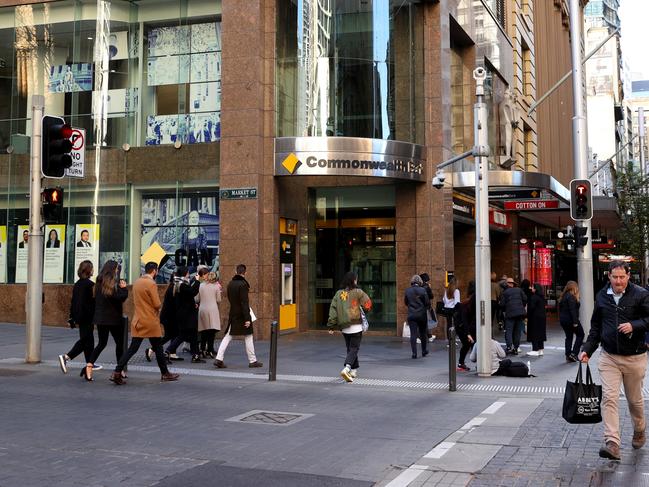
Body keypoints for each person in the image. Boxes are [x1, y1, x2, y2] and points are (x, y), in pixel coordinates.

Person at [579, 260, 649, 461]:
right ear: (608, 276)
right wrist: (587, 349)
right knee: (609, 398)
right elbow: (596, 327)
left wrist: (634, 325)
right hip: (609, 356)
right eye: (614, 277)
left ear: (628, 276)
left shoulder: (641, 294)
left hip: (634, 356)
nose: (618, 281)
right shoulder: (602, 296)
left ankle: (639, 429)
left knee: (634, 401)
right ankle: (613, 443)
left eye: (622, 277)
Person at [109, 262, 179, 384]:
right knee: (158, 347)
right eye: (156, 270)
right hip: (150, 320)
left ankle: (117, 371)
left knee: (133, 349)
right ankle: (165, 374)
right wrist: (158, 308)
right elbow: (157, 304)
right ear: (154, 271)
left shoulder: (137, 282)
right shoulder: (151, 283)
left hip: (138, 320)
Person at [84, 260, 128, 381]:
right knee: (119, 344)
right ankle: (119, 370)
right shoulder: (111, 283)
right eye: (117, 269)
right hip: (113, 319)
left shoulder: (98, 282)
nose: (118, 271)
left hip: (100, 319)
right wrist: (124, 289)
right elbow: (119, 298)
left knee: (101, 344)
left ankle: (89, 366)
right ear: (113, 269)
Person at [214, 264, 263, 369]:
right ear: (245, 273)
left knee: (228, 335)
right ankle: (252, 360)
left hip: (233, 313)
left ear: (236, 272)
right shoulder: (243, 285)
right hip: (242, 314)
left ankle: (219, 358)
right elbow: (244, 303)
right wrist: (247, 319)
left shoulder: (231, 284)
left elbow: (233, 300)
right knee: (248, 336)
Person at [326, 271, 372, 382]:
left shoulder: (338, 294)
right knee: (354, 348)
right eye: (356, 279)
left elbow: (333, 309)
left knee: (350, 348)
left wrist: (331, 325)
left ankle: (353, 370)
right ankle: (347, 368)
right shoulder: (358, 292)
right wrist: (365, 309)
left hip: (344, 326)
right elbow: (368, 304)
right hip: (356, 325)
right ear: (354, 280)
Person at [58, 260, 95, 376]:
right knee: (86, 341)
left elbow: (74, 302)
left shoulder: (78, 284)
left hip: (80, 317)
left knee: (89, 343)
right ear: (89, 270)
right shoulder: (90, 285)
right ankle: (66, 357)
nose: (93, 270)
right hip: (87, 317)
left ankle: (89, 368)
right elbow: (91, 303)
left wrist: (72, 317)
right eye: (92, 268)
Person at [167, 266, 203, 363]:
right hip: (187, 315)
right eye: (187, 272)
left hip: (184, 313)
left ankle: (195, 355)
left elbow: (186, 298)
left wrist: (193, 303)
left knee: (192, 335)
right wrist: (197, 281)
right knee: (183, 335)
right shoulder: (182, 284)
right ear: (185, 273)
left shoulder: (179, 283)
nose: (188, 274)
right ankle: (168, 351)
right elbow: (192, 292)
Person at [404, 275, 430, 359]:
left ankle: (414, 353)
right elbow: (427, 303)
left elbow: (406, 302)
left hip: (412, 314)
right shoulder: (423, 290)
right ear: (420, 282)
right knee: (423, 333)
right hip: (422, 315)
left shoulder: (407, 290)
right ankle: (424, 350)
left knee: (413, 334)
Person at [499, 277, 527, 355]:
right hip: (520, 313)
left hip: (510, 314)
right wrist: (521, 306)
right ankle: (516, 348)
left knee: (509, 331)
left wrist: (506, 309)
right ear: (513, 284)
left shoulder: (505, 292)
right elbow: (525, 299)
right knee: (517, 331)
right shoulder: (519, 290)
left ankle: (509, 347)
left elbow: (502, 305)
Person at [198, 271, 222, 358]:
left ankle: (202, 349)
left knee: (204, 331)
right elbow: (218, 299)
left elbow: (197, 298)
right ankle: (210, 350)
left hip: (202, 309)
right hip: (212, 310)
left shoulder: (201, 285)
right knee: (211, 331)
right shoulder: (216, 287)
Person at [559, 280, 583, 362]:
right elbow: (572, 310)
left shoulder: (564, 296)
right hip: (571, 320)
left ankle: (568, 355)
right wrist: (575, 322)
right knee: (581, 334)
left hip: (563, 320)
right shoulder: (571, 297)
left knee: (569, 337)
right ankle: (574, 354)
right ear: (574, 287)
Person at [457, 281, 477, 371]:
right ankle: (461, 363)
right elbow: (464, 321)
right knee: (467, 343)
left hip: (465, 326)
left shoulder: (468, 303)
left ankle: (463, 363)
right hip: (462, 327)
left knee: (470, 344)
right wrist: (468, 333)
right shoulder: (466, 305)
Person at [526, 283, 546, 356]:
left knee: (534, 333)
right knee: (540, 333)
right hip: (542, 318)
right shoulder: (542, 297)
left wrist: (527, 316)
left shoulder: (533, 297)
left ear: (536, 289)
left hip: (534, 318)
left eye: (533, 287)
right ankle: (541, 349)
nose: (531, 288)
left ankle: (535, 349)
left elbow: (531, 308)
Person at [442, 277, 461, 345]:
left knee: (449, 325)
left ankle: (449, 341)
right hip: (453, 309)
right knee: (455, 324)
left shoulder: (446, 290)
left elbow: (444, 300)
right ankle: (454, 339)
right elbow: (457, 302)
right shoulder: (456, 291)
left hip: (447, 309)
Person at [419, 273, 436, 342]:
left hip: (419, 307)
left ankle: (421, 337)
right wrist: (430, 288)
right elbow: (431, 296)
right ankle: (429, 336)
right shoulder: (427, 287)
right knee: (427, 322)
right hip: (426, 307)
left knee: (420, 322)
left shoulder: (419, 287)